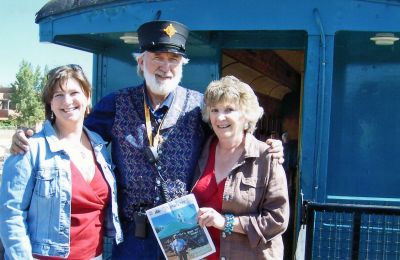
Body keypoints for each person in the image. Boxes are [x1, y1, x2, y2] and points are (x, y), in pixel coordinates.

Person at [10, 20, 284, 259]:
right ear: (141, 62)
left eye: (173, 60)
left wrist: (267, 147)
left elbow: (231, 134)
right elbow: (72, 129)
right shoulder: (117, 103)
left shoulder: (197, 106)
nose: (166, 67)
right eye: (158, 58)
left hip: (181, 229)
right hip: (133, 236)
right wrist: (29, 134)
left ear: (181, 66)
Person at [0, 65, 123, 259]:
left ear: (87, 96)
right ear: (50, 102)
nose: (67, 101)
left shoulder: (99, 146)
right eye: (58, 94)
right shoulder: (29, 149)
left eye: (74, 92)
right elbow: (11, 214)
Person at [192, 76, 289, 259]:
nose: (220, 117)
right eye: (215, 110)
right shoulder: (200, 151)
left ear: (245, 114)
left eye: (229, 109)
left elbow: (277, 220)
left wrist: (225, 222)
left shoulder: (266, 157)